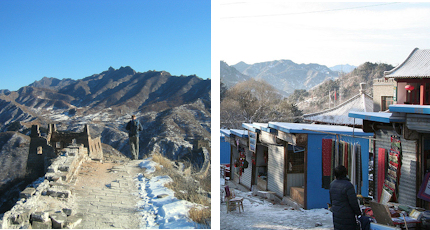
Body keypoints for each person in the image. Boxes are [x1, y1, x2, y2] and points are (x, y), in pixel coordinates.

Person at [329, 165, 361, 230]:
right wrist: (358, 213)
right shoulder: (348, 185)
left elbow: (332, 200)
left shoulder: (332, 184)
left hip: (337, 214)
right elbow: (353, 202)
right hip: (347, 216)